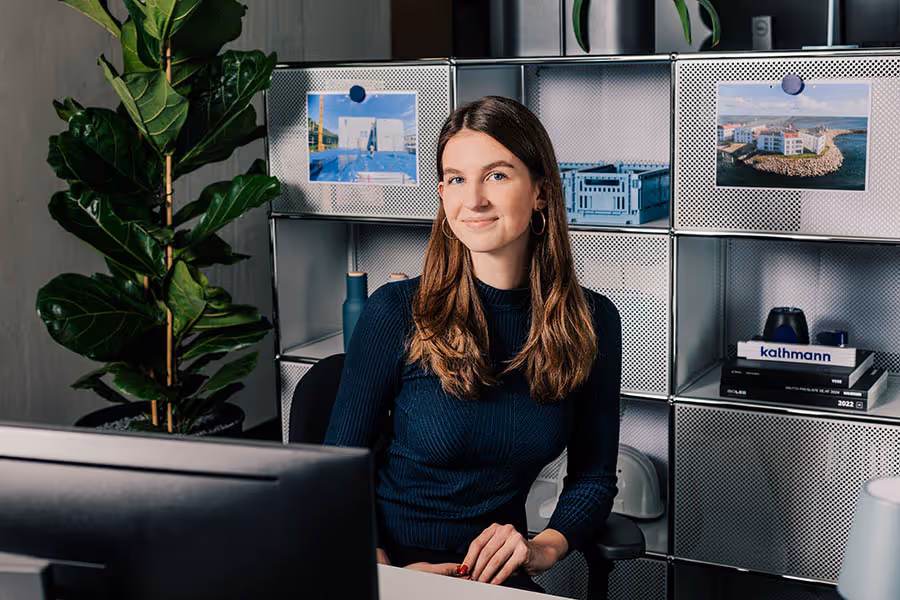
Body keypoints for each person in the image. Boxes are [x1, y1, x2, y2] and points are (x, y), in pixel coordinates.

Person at [323, 96, 622, 593]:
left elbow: (593, 476)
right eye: (457, 179)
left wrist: (542, 547)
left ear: (541, 192)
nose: (474, 200)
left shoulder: (590, 321)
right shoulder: (397, 311)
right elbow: (337, 470)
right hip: (388, 570)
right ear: (443, 194)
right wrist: (381, 569)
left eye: (497, 176)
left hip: (493, 577)